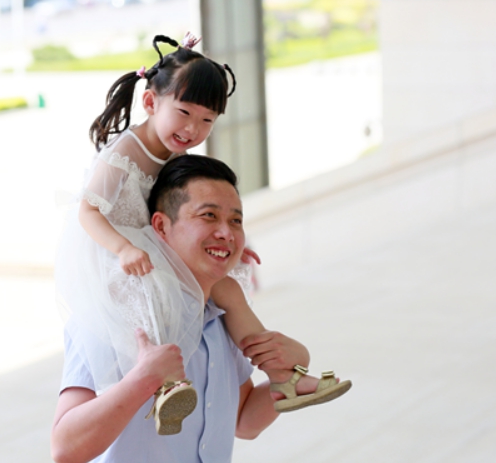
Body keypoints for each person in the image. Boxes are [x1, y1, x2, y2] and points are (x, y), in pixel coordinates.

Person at [51, 155, 350, 463]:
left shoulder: (224, 320)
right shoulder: (114, 316)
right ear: (161, 227)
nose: (226, 232)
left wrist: (293, 367)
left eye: (236, 221)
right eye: (209, 216)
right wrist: (144, 379)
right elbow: (66, 449)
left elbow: (244, 420)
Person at [55, 33, 348, 437]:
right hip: (117, 252)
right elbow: (87, 212)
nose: (193, 128)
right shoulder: (122, 154)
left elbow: (192, 211)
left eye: (207, 120)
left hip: (156, 244)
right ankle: (168, 385)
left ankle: (283, 375)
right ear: (150, 102)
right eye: (184, 112)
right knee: (154, 297)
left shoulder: (176, 153)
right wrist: (123, 249)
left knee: (228, 289)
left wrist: (232, 246)